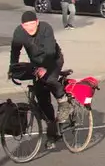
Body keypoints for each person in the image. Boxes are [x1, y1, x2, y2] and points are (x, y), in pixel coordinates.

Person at [10, 8, 65, 141]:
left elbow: (51, 51)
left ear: (37, 22)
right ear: (22, 26)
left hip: (54, 60)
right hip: (36, 63)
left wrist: (44, 67)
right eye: (26, 25)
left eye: (32, 24)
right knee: (42, 98)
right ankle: (53, 130)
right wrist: (13, 68)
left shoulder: (46, 28)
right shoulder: (19, 33)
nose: (30, 27)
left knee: (49, 79)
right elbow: (15, 51)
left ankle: (63, 100)